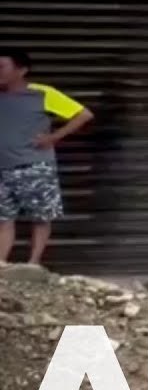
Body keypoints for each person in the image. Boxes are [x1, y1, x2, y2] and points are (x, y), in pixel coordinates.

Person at [0, 48, 94, 265]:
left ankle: (33, 263)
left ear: (21, 70)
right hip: (2, 166)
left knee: (40, 217)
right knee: (3, 218)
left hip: (34, 165)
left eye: (1, 67)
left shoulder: (42, 93)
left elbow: (84, 114)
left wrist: (53, 137)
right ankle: (2, 264)